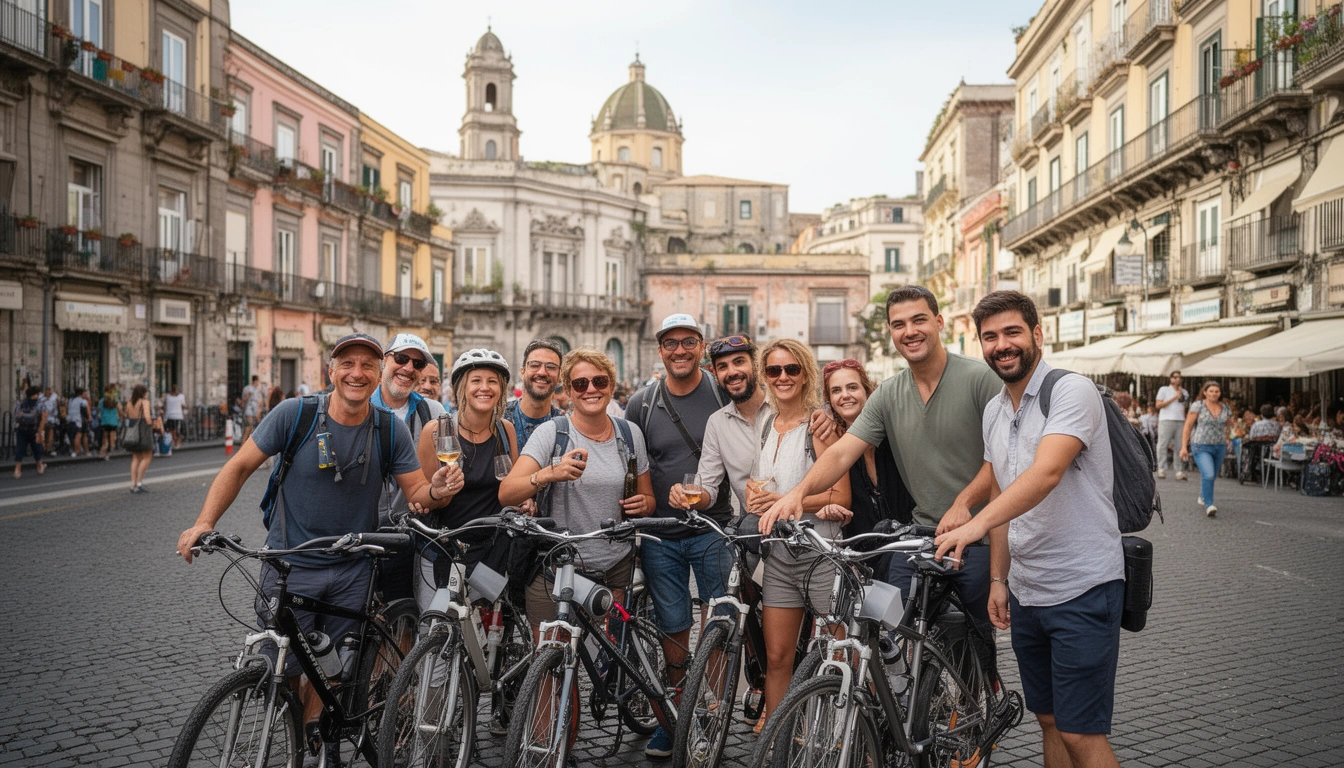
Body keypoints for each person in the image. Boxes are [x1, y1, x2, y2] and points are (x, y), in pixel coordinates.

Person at [176, 333, 456, 753]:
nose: (357, 373)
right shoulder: (295, 415)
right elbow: (238, 467)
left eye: (367, 365)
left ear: (378, 373)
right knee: (283, 667)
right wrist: (203, 522)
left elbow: (416, 492)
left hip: (353, 570)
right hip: (289, 567)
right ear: (331, 370)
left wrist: (436, 489)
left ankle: (312, 739)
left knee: (334, 671)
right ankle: (289, 729)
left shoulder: (388, 430)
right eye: (347, 364)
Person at [935, 291, 1125, 768]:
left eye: (1012, 332)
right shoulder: (995, 410)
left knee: (1081, 732)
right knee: (1049, 720)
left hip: (1083, 586)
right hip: (1027, 591)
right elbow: (1002, 497)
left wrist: (970, 524)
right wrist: (1000, 579)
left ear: (1037, 334)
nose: (1002, 345)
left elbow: (1046, 474)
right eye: (991, 336)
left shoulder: (1071, 391)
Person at [762, 285, 1002, 641]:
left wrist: (964, 503)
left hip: (979, 536)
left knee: (976, 643)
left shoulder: (980, 378)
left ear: (939, 322)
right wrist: (798, 493)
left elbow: (1001, 458)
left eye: (919, 320)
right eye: (898, 324)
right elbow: (843, 452)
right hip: (923, 538)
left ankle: (983, 692)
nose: (909, 331)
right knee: (884, 631)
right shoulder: (889, 393)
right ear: (890, 332)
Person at [623, 314, 731, 759]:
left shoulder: (722, 390)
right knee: (673, 627)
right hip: (661, 534)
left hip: (712, 528)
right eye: (671, 343)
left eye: (688, 341)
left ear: (701, 346)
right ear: (660, 350)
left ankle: (718, 713)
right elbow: (629, 467)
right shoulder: (641, 404)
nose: (680, 350)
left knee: (719, 623)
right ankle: (675, 716)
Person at [499, 347, 655, 640]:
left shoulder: (630, 433)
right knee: (551, 664)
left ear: (611, 386)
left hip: (614, 566)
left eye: (600, 381)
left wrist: (643, 503)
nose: (591, 390)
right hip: (557, 566)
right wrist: (547, 474)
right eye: (581, 384)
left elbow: (648, 500)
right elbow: (506, 492)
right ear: (569, 390)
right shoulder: (552, 433)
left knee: (610, 661)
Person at [416, 349, 521, 734]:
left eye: (492, 381)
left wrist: (523, 497)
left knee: (486, 630)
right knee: (439, 636)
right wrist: (439, 490)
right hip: (444, 549)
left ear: (502, 389)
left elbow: (509, 486)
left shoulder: (506, 431)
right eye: (476, 380)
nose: (484, 387)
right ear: (461, 387)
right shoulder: (437, 431)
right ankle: (431, 729)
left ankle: (489, 692)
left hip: (492, 547)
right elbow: (424, 497)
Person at [748, 338, 848, 730]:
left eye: (792, 369)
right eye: (774, 370)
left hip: (821, 552)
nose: (783, 377)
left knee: (839, 653)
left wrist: (788, 500)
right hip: (779, 556)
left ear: (805, 374)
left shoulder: (819, 424)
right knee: (776, 658)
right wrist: (756, 496)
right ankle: (778, 738)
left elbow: (840, 494)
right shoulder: (763, 422)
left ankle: (845, 736)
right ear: (765, 377)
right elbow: (759, 481)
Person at [372, 333, 447, 601]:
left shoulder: (434, 411)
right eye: (401, 358)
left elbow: (448, 463)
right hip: (364, 532)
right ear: (384, 360)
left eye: (417, 364)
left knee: (403, 615)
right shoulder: (361, 406)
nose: (408, 368)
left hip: (413, 533)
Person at [818, 359, 915, 537]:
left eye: (853, 387)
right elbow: (831, 493)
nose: (845, 395)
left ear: (867, 391)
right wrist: (831, 508)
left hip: (910, 544)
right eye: (836, 391)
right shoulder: (833, 443)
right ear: (830, 401)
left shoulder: (893, 432)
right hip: (861, 550)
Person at [680, 334, 772, 514]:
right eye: (722, 367)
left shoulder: (785, 407)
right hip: (755, 531)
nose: (731, 372)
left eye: (739, 362)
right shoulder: (717, 423)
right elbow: (707, 486)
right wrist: (691, 495)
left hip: (806, 529)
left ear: (756, 365)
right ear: (715, 376)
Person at [1181, 380, 1231, 517]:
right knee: (1208, 474)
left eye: (1217, 391)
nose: (1214, 394)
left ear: (1220, 393)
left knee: (1212, 475)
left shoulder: (1225, 407)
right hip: (1201, 445)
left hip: (1219, 445)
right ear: (1205, 392)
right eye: (1211, 391)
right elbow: (1188, 426)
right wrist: (1184, 447)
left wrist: (1228, 437)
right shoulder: (1198, 406)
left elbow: (1229, 425)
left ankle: (1203, 495)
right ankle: (1209, 504)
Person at [503, 339, 565, 448]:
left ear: (559, 376)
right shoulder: (498, 417)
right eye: (535, 365)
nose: (542, 372)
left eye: (551, 367)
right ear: (522, 372)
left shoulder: (565, 425)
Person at [125, 385, 161, 493]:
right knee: (147, 457)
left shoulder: (129, 403)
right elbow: (147, 417)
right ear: (143, 393)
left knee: (135, 458)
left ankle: (133, 484)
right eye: (147, 392)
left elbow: (126, 415)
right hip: (143, 430)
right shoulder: (145, 402)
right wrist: (153, 423)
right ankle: (139, 483)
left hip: (132, 429)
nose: (148, 394)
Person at [1154, 371, 1189, 480]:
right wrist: (1174, 398)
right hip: (1166, 419)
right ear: (1171, 379)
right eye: (1175, 377)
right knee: (1163, 445)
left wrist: (1186, 420)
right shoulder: (1164, 390)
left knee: (1179, 446)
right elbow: (1158, 405)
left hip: (1180, 420)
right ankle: (1161, 468)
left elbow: (1183, 407)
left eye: (1179, 377)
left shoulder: (1184, 392)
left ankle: (1179, 470)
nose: (1178, 379)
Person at [13, 385, 47, 478]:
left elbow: (16, 416)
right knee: (36, 448)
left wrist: (16, 426)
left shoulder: (20, 403)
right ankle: (39, 466)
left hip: (22, 429)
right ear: (35, 394)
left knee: (20, 449)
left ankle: (17, 470)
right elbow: (43, 418)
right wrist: (40, 432)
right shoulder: (40, 404)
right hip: (34, 429)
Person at [97, 385, 123, 460]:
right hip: (113, 421)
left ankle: (101, 453)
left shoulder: (101, 401)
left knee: (105, 439)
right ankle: (107, 455)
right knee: (112, 440)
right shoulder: (115, 400)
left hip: (104, 421)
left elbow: (100, 410)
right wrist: (120, 418)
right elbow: (120, 410)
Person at [239, 375, 266, 443]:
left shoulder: (258, 390)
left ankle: (248, 443)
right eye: (257, 382)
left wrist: (259, 410)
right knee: (249, 426)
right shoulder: (248, 389)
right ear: (255, 381)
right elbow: (243, 400)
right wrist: (248, 395)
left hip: (256, 410)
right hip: (249, 409)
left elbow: (260, 401)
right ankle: (243, 443)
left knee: (254, 429)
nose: (258, 383)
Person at [162, 384, 187, 449]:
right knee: (180, 431)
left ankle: (173, 442)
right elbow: (184, 406)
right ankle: (177, 443)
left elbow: (164, 405)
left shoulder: (167, 396)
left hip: (170, 415)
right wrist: (185, 410)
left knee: (171, 430)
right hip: (178, 415)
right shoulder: (181, 396)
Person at [68, 387, 90, 457]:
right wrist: (89, 418)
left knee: (73, 436)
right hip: (79, 420)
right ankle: (77, 451)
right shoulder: (82, 401)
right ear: (81, 394)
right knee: (79, 436)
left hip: (71, 420)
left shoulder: (71, 400)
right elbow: (87, 410)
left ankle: (76, 450)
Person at [39, 385, 59, 452]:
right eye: (48, 391)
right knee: (43, 431)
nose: (49, 393)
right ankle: (44, 446)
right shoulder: (41, 398)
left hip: (50, 417)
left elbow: (55, 407)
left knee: (50, 431)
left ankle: (48, 447)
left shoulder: (53, 398)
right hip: (43, 417)